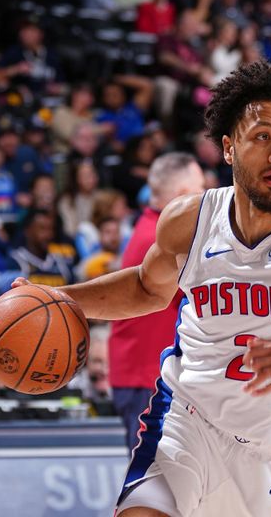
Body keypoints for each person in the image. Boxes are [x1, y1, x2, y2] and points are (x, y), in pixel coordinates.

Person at [0, 61, 271, 516]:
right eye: (263, 136)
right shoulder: (189, 220)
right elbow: (147, 288)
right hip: (185, 421)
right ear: (228, 146)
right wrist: (57, 300)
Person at [108, 152, 206, 451]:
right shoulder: (163, 239)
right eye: (201, 190)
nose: (206, 198)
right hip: (147, 378)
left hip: (148, 374)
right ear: (183, 196)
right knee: (155, 487)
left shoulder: (152, 228)